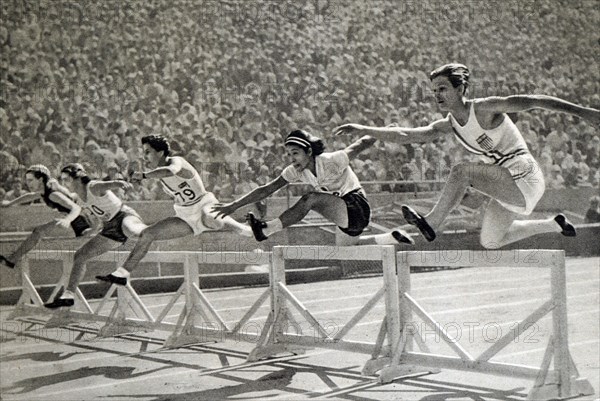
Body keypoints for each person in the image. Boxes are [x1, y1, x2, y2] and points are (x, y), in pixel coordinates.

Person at [335, 63, 600, 249]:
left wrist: (585, 112)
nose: (437, 95)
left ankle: (432, 223)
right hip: (506, 181)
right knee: (491, 240)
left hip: (524, 173)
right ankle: (552, 224)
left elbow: (534, 100)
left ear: (460, 89)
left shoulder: (484, 108)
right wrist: (363, 128)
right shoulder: (448, 124)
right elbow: (407, 135)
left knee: (462, 171)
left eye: (442, 88)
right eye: (434, 90)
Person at [94, 135, 252, 286]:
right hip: (186, 216)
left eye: (148, 152)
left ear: (160, 152)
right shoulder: (160, 175)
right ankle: (122, 274)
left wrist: (143, 175)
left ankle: (247, 230)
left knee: (211, 217)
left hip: (204, 204)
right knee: (148, 234)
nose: (145, 156)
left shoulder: (176, 161)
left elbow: (171, 171)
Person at [212, 130, 413, 246]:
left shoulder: (332, 160)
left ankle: (267, 229)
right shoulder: (296, 170)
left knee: (311, 198)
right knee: (346, 248)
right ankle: (390, 237)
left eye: (296, 153)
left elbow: (362, 144)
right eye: (289, 154)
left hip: (357, 206)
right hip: (343, 214)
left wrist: (388, 131)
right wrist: (233, 206)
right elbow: (266, 189)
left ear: (308, 151)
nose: (292, 159)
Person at [44, 164, 148, 308]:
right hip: (109, 229)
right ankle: (69, 294)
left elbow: (112, 183)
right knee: (80, 256)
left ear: (78, 178)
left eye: (67, 179)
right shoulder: (79, 199)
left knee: (134, 232)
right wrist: (92, 231)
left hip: (123, 215)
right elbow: (98, 217)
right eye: (62, 180)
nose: (64, 183)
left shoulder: (92, 186)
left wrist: (123, 184)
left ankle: (157, 231)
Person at [0, 165, 92, 269]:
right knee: (39, 231)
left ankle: (12, 259)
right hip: (73, 219)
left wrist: (67, 220)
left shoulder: (53, 194)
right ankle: (12, 259)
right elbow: (30, 196)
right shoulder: (44, 191)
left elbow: (76, 208)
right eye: (27, 180)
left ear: (41, 179)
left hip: (81, 222)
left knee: (39, 231)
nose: (27, 183)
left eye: (30, 180)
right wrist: (10, 203)